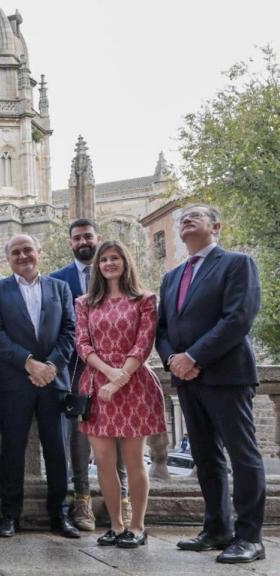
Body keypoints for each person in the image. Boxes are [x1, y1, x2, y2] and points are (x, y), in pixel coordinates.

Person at [156, 205, 265, 564]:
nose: (186, 220)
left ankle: (250, 537)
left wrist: (194, 357)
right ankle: (217, 528)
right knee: (205, 457)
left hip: (226, 376)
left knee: (243, 456)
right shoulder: (172, 277)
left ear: (215, 226)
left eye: (196, 216)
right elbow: (163, 330)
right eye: (183, 218)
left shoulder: (236, 264)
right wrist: (173, 359)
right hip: (187, 380)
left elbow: (238, 318)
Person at [0, 233, 79, 539]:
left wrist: (51, 366)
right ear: (8, 258)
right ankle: (10, 515)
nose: (22, 256)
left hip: (54, 382)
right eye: (15, 252)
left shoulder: (60, 288)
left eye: (28, 250)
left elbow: (70, 331)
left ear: (39, 251)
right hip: (15, 381)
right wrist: (28, 363)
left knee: (57, 452)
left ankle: (60, 516)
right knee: (12, 450)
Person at [75, 240, 165, 548]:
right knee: (103, 460)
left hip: (134, 385)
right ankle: (115, 524)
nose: (109, 263)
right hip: (97, 385)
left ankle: (137, 526)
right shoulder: (85, 302)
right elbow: (82, 344)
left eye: (115, 258)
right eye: (104, 259)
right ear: (97, 266)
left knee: (133, 460)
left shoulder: (145, 299)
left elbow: (144, 343)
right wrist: (108, 374)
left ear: (126, 262)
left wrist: (120, 377)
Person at [49, 218, 121, 532]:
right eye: (77, 237)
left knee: (119, 433)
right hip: (76, 370)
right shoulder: (58, 280)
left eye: (87, 236)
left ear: (97, 238)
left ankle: (122, 499)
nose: (83, 242)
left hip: (116, 369)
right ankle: (82, 499)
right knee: (78, 438)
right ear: (70, 243)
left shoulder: (118, 273)